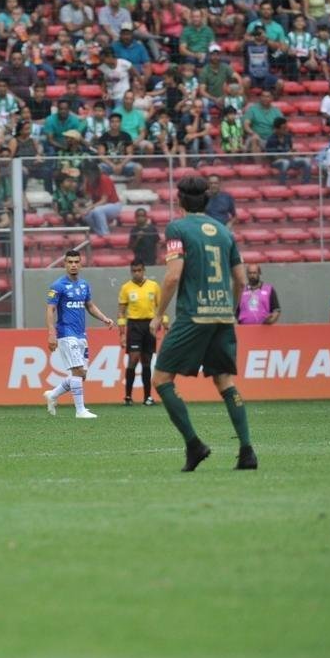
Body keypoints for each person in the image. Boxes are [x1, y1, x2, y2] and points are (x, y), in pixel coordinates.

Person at [150, 175, 257, 472]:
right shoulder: (224, 231)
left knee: (161, 379)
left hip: (194, 314)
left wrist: (158, 314)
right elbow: (241, 279)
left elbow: (173, 276)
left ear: (180, 200)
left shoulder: (177, 228)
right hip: (223, 315)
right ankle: (247, 450)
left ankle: (194, 445)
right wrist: (230, 310)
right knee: (225, 381)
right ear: (207, 201)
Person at [43, 250, 117, 419]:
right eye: (70, 262)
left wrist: (104, 318)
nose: (73, 265)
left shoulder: (84, 285)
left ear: (81, 264)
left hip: (81, 334)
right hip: (66, 333)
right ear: (65, 264)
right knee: (77, 371)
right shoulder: (57, 286)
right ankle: (80, 410)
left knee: (81, 374)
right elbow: (50, 309)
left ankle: (53, 394)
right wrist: (51, 333)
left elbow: (89, 305)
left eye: (76, 261)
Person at [117, 260, 161, 407]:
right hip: (134, 326)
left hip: (149, 325)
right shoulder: (126, 288)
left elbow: (160, 307)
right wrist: (122, 333)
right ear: (131, 272)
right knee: (134, 359)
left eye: (139, 270)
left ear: (144, 270)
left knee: (147, 361)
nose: (137, 273)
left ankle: (147, 397)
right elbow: (121, 312)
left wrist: (163, 323)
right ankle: (128, 396)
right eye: (134, 271)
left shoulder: (153, 286)